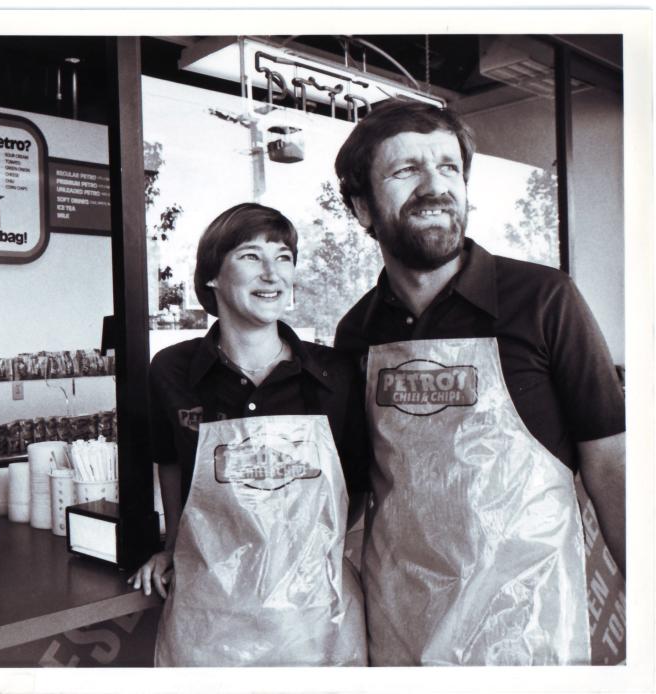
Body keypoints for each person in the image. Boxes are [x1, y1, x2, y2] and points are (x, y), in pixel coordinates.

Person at [333, 99, 626, 665]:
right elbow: (357, 489)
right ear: (362, 208)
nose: (435, 186)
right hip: (400, 627)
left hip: (529, 629)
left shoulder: (544, 301)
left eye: (448, 168)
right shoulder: (357, 332)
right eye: (405, 170)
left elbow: (613, 464)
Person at [128, 203, 370, 666]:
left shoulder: (333, 375)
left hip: (315, 617)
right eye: (250, 256)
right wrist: (173, 547)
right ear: (212, 276)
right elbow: (174, 466)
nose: (272, 274)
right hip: (210, 617)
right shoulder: (172, 372)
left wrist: (299, 554)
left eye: (283, 258)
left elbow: (356, 485)